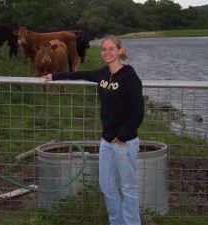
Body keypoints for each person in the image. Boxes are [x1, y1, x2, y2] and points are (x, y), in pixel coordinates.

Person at [43, 34, 144, 225]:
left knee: (128, 188)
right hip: (106, 141)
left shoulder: (129, 76)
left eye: (111, 49)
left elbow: (138, 113)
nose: (107, 52)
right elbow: (80, 74)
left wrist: (123, 136)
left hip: (125, 142)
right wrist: (55, 76)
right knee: (106, 186)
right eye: (103, 49)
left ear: (120, 51)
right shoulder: (103, 74)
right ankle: (116, 222)